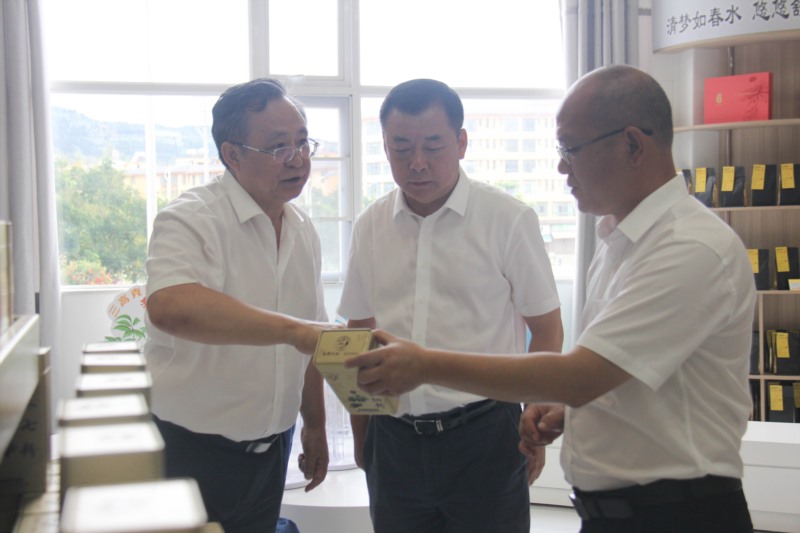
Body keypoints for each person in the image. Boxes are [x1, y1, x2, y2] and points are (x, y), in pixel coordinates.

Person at [347, 65, 756, 533]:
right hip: (619, 508)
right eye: (401, 147)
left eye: (570, 149)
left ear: (632, 145)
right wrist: (570, 412)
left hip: (676, 512)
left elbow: (580, 374)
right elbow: (621, 374)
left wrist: (423, 365)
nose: (562, 167)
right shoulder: (621, 242)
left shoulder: (688, 248)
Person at [337, 78, 563, 533]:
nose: (417, 162)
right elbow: (359, 332)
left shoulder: (507, 219)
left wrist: (536, 412)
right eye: (401, 148)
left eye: (433, 146)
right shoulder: (370, 225)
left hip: (485, 433)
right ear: (385, 146)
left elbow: (546, 327)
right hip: (394, 438)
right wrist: (363, 436)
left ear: (461, 143)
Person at [144, 78, 330, 532]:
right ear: (232, 154)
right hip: (189, 449)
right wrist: (293, 330)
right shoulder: (190, 218)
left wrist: (315, 425)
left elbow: (313, 341)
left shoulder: (303, 229)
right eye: (279, 147)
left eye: (303, 142)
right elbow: (171, 306)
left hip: (272, 450)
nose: (298, 159)